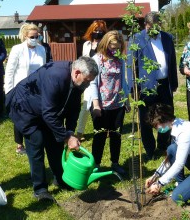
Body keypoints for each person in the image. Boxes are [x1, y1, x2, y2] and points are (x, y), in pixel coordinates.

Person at [5, 56, 98, 202]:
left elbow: (73, 108)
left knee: (56, 144)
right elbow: (48, 113)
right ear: (77, 72)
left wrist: (69, 133)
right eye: (87, 80)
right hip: (25, 109)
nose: (88, 84)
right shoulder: (56, 76)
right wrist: (68, 137)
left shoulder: (79, 82)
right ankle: (40, 189)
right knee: (37, 144)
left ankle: (60, 179)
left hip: (47, 110)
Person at [127, 11, 178, 160]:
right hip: (146, 87)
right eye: (151, 27)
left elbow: (172, 62)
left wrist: (173, 82)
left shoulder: (167, 38)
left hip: (164, 85)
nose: (154, 30)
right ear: (146, 25)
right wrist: (133, 88)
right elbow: (131, 66)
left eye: (157, 26)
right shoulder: (136, 39)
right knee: (146, 119)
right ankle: (149, 149)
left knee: (166, 115)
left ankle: (163, 145)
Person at [88, 30, 130, 174]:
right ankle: (96, 164)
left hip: (117, 104)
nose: (115, 50)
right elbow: (93, 83)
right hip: (100, 104)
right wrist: (96, 105)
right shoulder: (97, 60)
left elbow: (123, 80)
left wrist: (127, 100)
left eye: (118, 47)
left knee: (116, 134)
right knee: (99, 135)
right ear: (106, 44)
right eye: (112, 47)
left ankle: (115, 163)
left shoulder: (120, 60)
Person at [4, 23, 47, 154]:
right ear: (25, 36)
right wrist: (9, 91)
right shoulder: (17, 49)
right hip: (20, 88)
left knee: (35, 115)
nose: (35, 38)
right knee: (20, 116)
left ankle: (35, 140)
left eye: (37, 36)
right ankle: (19, 144)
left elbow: (44, 69)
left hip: (37, 89)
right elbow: (10, 71)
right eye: (32, 36)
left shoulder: (41, 49)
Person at [76, 20, 107, 140]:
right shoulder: (87, 45)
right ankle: (79, 132)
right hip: (90, 78)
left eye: (101, 31)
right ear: (91, 31)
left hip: (103, 78)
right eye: (96, 30)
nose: (98, 33)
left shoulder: (105, 44)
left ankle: (103, 129)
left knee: (101, 104)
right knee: (86, 105)